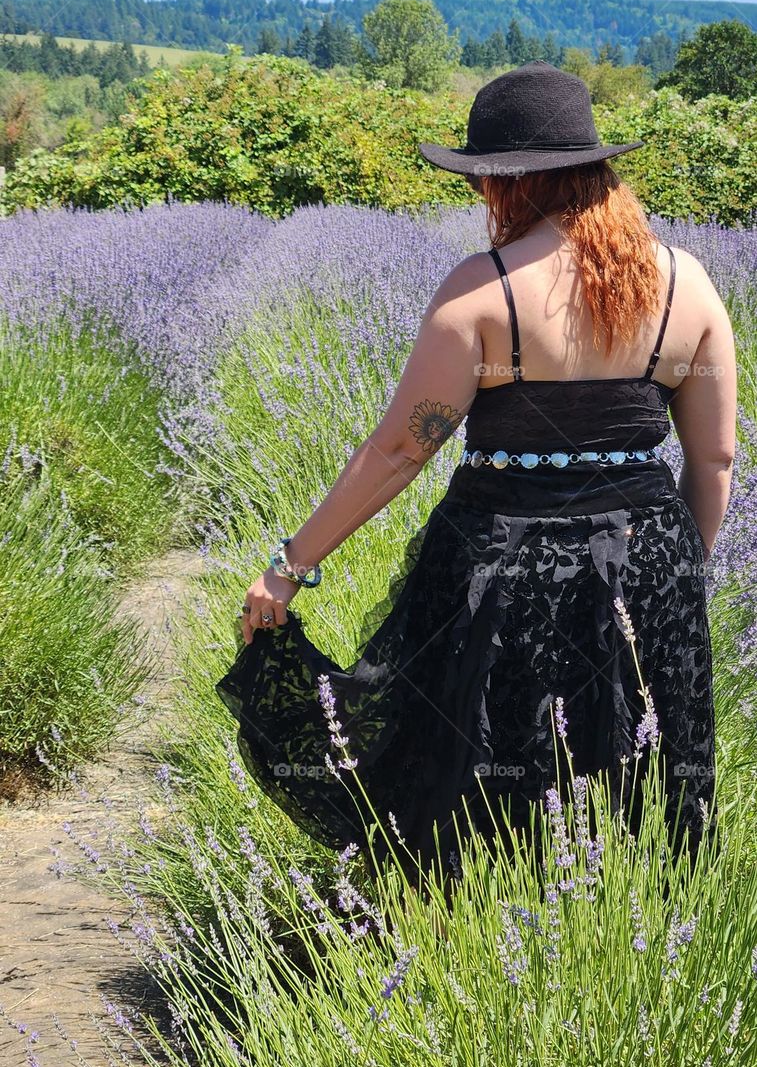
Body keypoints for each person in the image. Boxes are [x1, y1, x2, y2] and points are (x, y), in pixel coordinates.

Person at [216, 62, 736, 891]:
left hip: (499, 564)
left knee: (481, 770)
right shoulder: (687, 284)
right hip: (649, 560)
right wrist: (670, 579)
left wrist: (288, 568)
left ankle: (484, 920)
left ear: (505, 183)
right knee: (635, 773)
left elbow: (399, 450)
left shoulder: (482, 289)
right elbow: (712, 460)